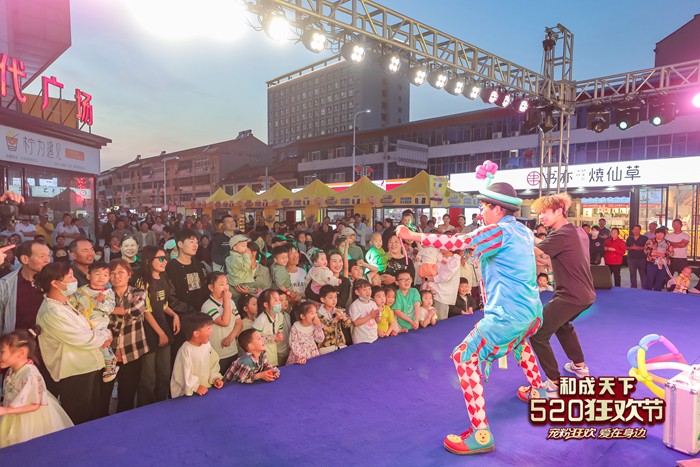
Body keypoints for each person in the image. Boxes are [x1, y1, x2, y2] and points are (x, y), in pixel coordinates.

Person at [396, 162, 546, 455]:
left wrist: (413, 236)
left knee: (464, 356)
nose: (481, 211)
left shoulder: (497, 232)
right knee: (520, 342)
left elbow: (458, 241)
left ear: (498, 209)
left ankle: (480, 433)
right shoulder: (523, 231)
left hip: (508, 315)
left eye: (485, 206)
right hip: (532, 312)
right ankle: (538, 390)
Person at [529, 192, 595, 398]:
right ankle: (579, 366)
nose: (541, 217)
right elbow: (555, 257)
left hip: (570, 295)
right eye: (539, 213)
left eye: (545, 212)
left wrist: (517, 237)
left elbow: (534, 251)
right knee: (562, 325)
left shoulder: (561, 234)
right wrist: (545, 259)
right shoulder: (577, 231)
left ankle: (554, 383)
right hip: (584, 294)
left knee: (538, 333)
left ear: (559, 211)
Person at [36, 262, 111, 424]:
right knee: (80, 418)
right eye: (69, 277)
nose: (74, 280)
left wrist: (102, 334)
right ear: (55, 283)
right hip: (74, 372)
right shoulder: (52, 312)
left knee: (93, 416)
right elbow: (83, 339)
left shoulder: (64, 303)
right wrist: (105, 335)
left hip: (87, 366)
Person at [0, 328, 73, 448]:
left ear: (21, 352)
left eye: (2, 352)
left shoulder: (30, 375)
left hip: (28, 419)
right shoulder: (11, 370)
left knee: (30, 447)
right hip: (11, 413)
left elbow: (34, 405)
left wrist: (6, 410)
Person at [133, 246, 181, 406]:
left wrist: (174, 315)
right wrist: (160, 333)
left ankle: (162, 405)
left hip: (163, 328)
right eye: (160, 259)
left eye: (165, 258)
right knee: (148, 377)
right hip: (148, 332)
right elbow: (146, 311)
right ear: (148, 261)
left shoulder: (163, 278)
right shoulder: (142, 281)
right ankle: (146, 408)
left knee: (164, 372)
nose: (164, 261)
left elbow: (163, 304)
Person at [102, 259, 149, 414]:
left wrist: (107, 309)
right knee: (103, 395)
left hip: (132, 350)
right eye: (112, 273)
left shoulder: (138, 292)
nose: (117, 276)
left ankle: (124, 424)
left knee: (127, 395)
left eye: (121, 272)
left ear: (129, 274)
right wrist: (123, 310)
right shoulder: (104, 295)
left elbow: (136, 310)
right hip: (108, 353)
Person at [68, 261, 119, 382]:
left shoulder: (108, 292)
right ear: (88, 276)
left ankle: (109, 364)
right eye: (97, 274)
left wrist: (102, 302)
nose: (101, 277)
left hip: (99, 324)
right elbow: (72, 304)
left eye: (105, 275)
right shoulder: (81, 291)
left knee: (102, 344)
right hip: (83, 324)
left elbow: (110, 308)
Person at [170, 313, 223, 397]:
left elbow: (212, 364)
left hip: (204, 390)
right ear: (196, 334)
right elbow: (182, 374)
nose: (211, 331)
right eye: (208, 328)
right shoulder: (186, 350)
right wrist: (195, 386)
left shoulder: (207, 345)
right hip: (187, 394)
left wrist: (215, 377)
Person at [201, 272, 242, 374]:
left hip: (233, 350)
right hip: (217, 353)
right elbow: (224, 322)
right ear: (211, 287)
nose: (226, 287)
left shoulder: (230, 302)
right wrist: (227, 300)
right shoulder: (208, 306)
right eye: (221, 284)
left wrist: (231, 337)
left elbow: (239, 323)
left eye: (227, 283)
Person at [252, 289, 285, 367]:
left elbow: (279, 330)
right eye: (276, 300)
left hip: (273, 353)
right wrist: (273, 338)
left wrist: (280, 334)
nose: (279, 303)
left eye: (279, 300)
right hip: (262, 356)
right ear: (266, 304)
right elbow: (254, 339)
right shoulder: (261, 319)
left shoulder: (280, 316)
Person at [316, 285, 352, 355]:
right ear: (322, 299)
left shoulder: (338, 310)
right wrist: (335, 320)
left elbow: (348, 325)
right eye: (330, 297)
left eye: (335, 297)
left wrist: (344, 318)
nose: (334, 300)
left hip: (341, 345)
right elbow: (326, 331)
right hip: (326, 348)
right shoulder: (318, 314)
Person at [348, 279, 380, 344]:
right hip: (361, 340)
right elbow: (355, 323)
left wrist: (378, 316)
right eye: (364, 289)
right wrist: (370, 316)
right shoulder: (355, 305)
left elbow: (378, 321)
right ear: (357, 292)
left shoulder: (373, 303)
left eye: (369, 289)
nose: (368, 292)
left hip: (374, 337)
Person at [644, 227, 673, 291]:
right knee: (650, 279)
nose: (660, 235)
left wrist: (665, 254)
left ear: (664, 234)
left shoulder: (667, 243)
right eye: (658, 233)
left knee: (660, 279)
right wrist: (657, 254)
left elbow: (671, 253)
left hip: (663, 264)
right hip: (652, 263)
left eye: (661, 233)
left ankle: (657, 293)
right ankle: (647, 293)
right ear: (655, 234)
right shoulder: (650, 241)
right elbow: (646, 250)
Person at [625, 224, 647, 289]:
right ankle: (633, 287)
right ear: (632, 230)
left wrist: (638, 248)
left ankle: (644, 288)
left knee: (643, 274)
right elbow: (626, 247)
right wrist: (631, 248)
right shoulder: (629, 238)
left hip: (642, 259)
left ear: (640, 230)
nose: (636, 231)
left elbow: (648, 247)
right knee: (632, 274)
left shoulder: (645, 238)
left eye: (638, 229)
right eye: (635, 229)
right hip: (631, 259)